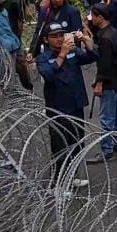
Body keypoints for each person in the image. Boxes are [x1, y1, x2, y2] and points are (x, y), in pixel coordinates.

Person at [36, 21, 96, 189]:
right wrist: (62, 54)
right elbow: (48, 75)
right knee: (60, 146)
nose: (59, 39)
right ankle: (59, 184)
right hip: (57, 108)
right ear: (46, 40)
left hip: (75, 103)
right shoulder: (43, 58)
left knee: (77, 142)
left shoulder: (73, 51)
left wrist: (87, 42)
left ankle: (73, 175)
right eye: (54, 36)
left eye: (61, 35)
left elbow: (91, 57)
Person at [86, 3, 117, 163]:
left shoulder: (106, 38)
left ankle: (106, 149)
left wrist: (99, 82)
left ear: (100, 17)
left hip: (109, 81)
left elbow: (105, 63)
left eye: (93, 16)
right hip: (116, 79)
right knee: (116, 113)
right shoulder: (111, 33)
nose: (91, 18)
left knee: (106, 116)